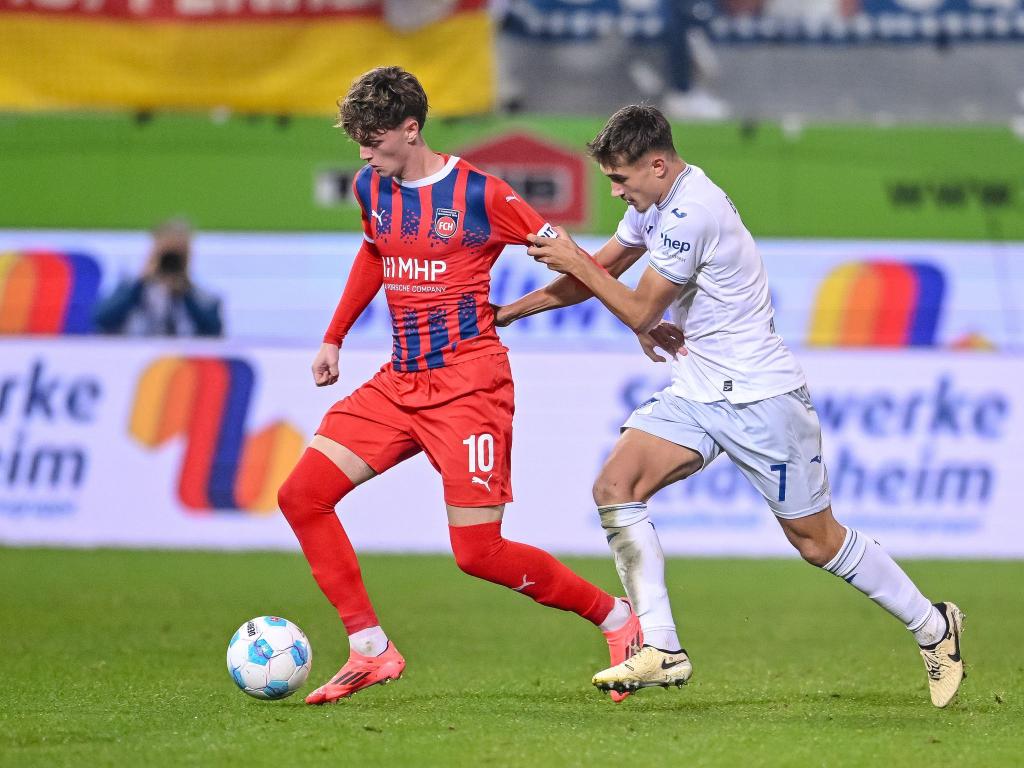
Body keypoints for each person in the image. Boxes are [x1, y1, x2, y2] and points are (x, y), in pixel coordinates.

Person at [496, 104, 965, 708]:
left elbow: (639, 308)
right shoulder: (655, 206)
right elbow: (598, 273)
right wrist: (505, 314)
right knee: (616, 485)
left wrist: (577, 261)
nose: (616, 190)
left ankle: (934, 626)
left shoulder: (692, 211)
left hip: (760, 396)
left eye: (621, 179)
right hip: (696, 389)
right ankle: (661, 647)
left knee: (816, 541)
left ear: (658, 165)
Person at [276, 66, 641, 706]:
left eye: (373, 139)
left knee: (478, 552)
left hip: (469, 387)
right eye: (358, 140)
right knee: (302, 496)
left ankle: (617, 618)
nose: (363, 153)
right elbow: (374, 253)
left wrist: (639, 319)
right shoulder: (372, 187)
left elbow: (575, 259)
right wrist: (334, 336)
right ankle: (369, 648)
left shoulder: (483, 195)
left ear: (410, 129)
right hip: (399, 382)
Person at [93, 218, 222, 337]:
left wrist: (185, 292)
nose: (170, 261)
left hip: (182, 359)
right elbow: (101, 319)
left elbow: (214, 331)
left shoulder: (201, 296)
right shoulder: (130, 288)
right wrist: (141, 283)